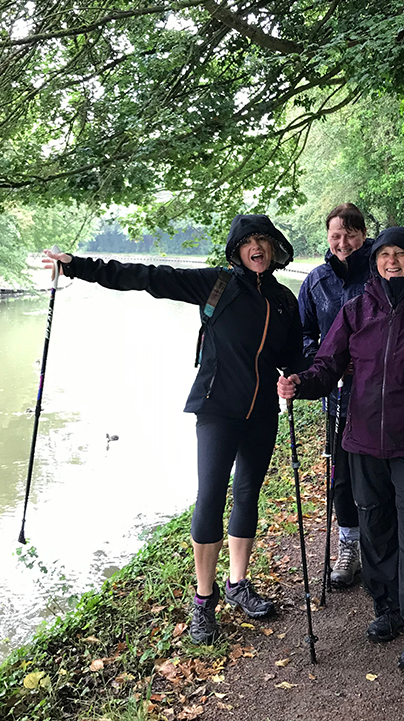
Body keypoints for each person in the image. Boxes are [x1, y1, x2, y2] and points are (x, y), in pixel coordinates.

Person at [43, 214, 305, 645]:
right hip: (216, 407)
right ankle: (205, 599)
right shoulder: (217, 285)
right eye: (248, 241)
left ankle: (238, 583)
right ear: (237, 249)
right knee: (211, 496)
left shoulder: (284, 301)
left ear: (275, 248)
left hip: (261, 411)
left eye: (264, 240)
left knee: (247, 495)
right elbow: (149, 276)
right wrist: (75, 265)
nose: (257, 247)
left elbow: (293, 357)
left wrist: (297, 379)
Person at [279, 227, 404, 673]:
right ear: (375, 261)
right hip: (361, 440)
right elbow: (327, 366)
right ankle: (387, 607)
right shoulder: (355, 311)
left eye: (400, 254)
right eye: (384, 254)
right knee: (375, 526)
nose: (391, 261)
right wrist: (300, 382)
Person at [297, 203, 373, 588]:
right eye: (335, 236)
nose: (343, 242)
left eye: (350, 234)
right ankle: (349, 544)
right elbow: (305, 333)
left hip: (378, 394)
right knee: (340, 475)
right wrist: (322, 362)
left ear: (363, 233)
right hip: (336, 395)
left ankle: (382, 546)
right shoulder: (316, 281)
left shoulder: (381, 270)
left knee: (377, 473)